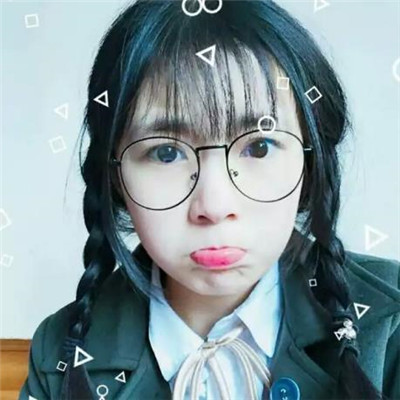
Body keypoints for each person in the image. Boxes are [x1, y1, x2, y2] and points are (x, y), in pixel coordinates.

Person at [19, 0, 400, 399]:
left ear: (311, 158)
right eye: (166, 153)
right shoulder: (59, 352)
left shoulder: (389, 323)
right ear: (114, 174)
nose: (215, 206)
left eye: (259, 147)